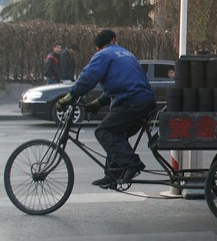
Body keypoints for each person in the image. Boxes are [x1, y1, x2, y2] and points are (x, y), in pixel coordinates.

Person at [56, 29, 156, 187]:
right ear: (114, 40)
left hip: (132, 102)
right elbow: (122, 84)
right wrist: (97, 103)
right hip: (144, 101)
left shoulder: (103, 55)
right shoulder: (126, 53)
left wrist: (70, 97)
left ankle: (132, 163)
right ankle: (112, 175)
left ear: (98, 48)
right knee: (116, 134)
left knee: (103, 131)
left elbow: (88, 78)